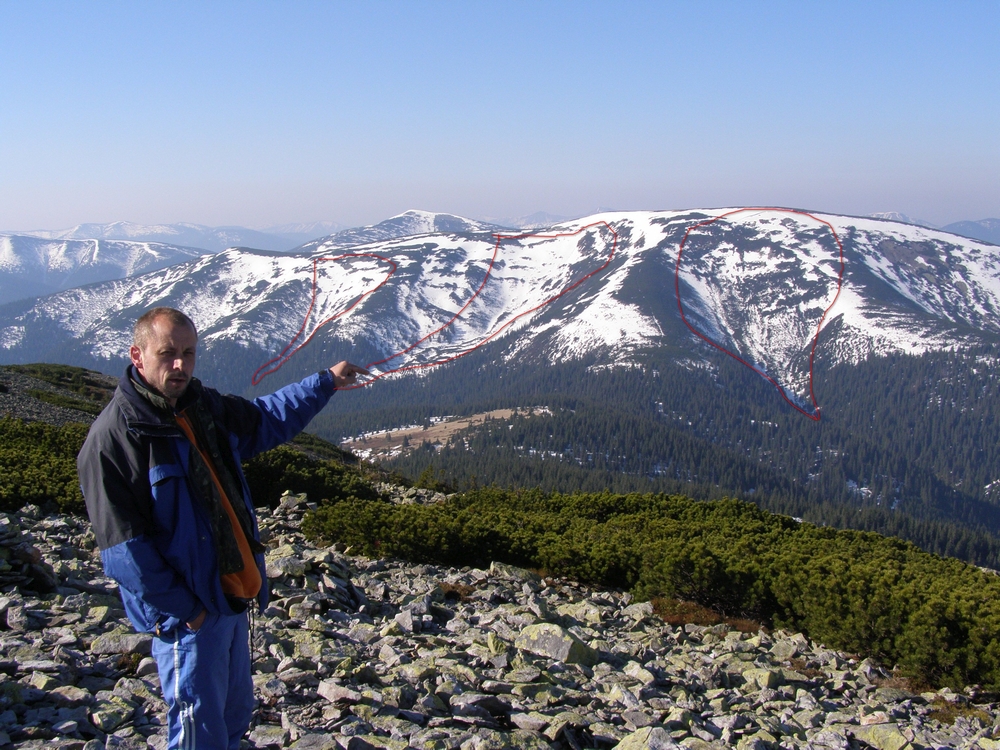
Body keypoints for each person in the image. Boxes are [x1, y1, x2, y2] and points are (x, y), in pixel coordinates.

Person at [77, 307, 369, 750]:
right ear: (137, 355)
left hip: (232, 599)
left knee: (233, 719)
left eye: (189, 353)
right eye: (168, 353)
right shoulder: (114, 440)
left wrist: (324, 381)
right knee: (199, 732)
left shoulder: (201, 406)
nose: (180, 365)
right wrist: (188, 611)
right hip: (192, 616)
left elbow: (265, 419)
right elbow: (124, 553)